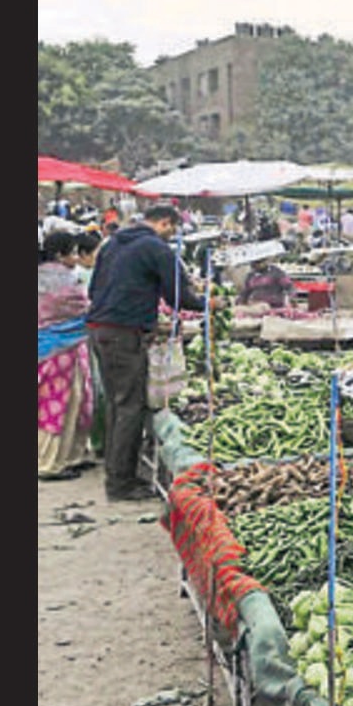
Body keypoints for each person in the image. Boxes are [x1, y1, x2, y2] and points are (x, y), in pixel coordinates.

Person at [86, 204, 208, 502]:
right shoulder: (157, 248)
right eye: (174, 230)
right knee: (131, 405)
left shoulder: (112, 243)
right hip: (124, 333)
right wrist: (207, 303)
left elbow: (92, 290)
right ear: (166, 223)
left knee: (118, 401)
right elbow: (177, 296)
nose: (172, 236)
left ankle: (117, 470)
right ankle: (121, 484)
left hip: (99, 330)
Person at [39, 231, 98, 480]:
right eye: (72, 252)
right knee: (57, 405)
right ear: (59, 254)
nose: (77, 257)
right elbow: (80, 306)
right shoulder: (54, 278)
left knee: (76, 401)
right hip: (56, 349)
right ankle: (48, 463)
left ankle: (71, 456)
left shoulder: (58, 275)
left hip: (68, 346)